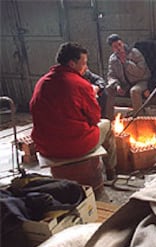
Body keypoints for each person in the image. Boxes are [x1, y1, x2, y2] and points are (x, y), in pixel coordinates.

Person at [30, 42, 117, 180]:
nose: (86, 67)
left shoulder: (42, 83)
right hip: (74, 145)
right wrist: (92, 95)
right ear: (72, 64)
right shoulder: (80, 84)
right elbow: (95, 118)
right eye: (84, 63)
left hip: (45, 145)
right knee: (107, 125)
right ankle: (111, 170)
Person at [105, 34, 151, 120]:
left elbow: (140, 72)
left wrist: (126, 63)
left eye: (119, 44)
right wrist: (117, 85)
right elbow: (111, 76)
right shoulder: (113, 59)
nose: (119, 48)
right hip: (125, 83)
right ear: (112, 48)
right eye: (115, 47)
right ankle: (109, 118)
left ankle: (140, 118)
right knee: (109, 88)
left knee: (134, 91)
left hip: (141, 81)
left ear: (122, 43)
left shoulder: (134, 53)